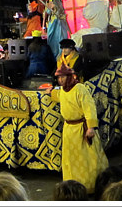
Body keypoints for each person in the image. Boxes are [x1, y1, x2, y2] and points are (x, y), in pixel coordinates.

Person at [45, 64, 108, 194]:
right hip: (69, 130)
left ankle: (90, 185)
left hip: (81, 129)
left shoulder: (80, 88)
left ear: (68, 77)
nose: (60, 80)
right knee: (71, 160)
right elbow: (60, 96)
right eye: (58, 78)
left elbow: (89, 108)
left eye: (62, 77)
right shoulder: (62, 90)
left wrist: (90, 127)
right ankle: (73, 186)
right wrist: (51, 92)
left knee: (87, 159)